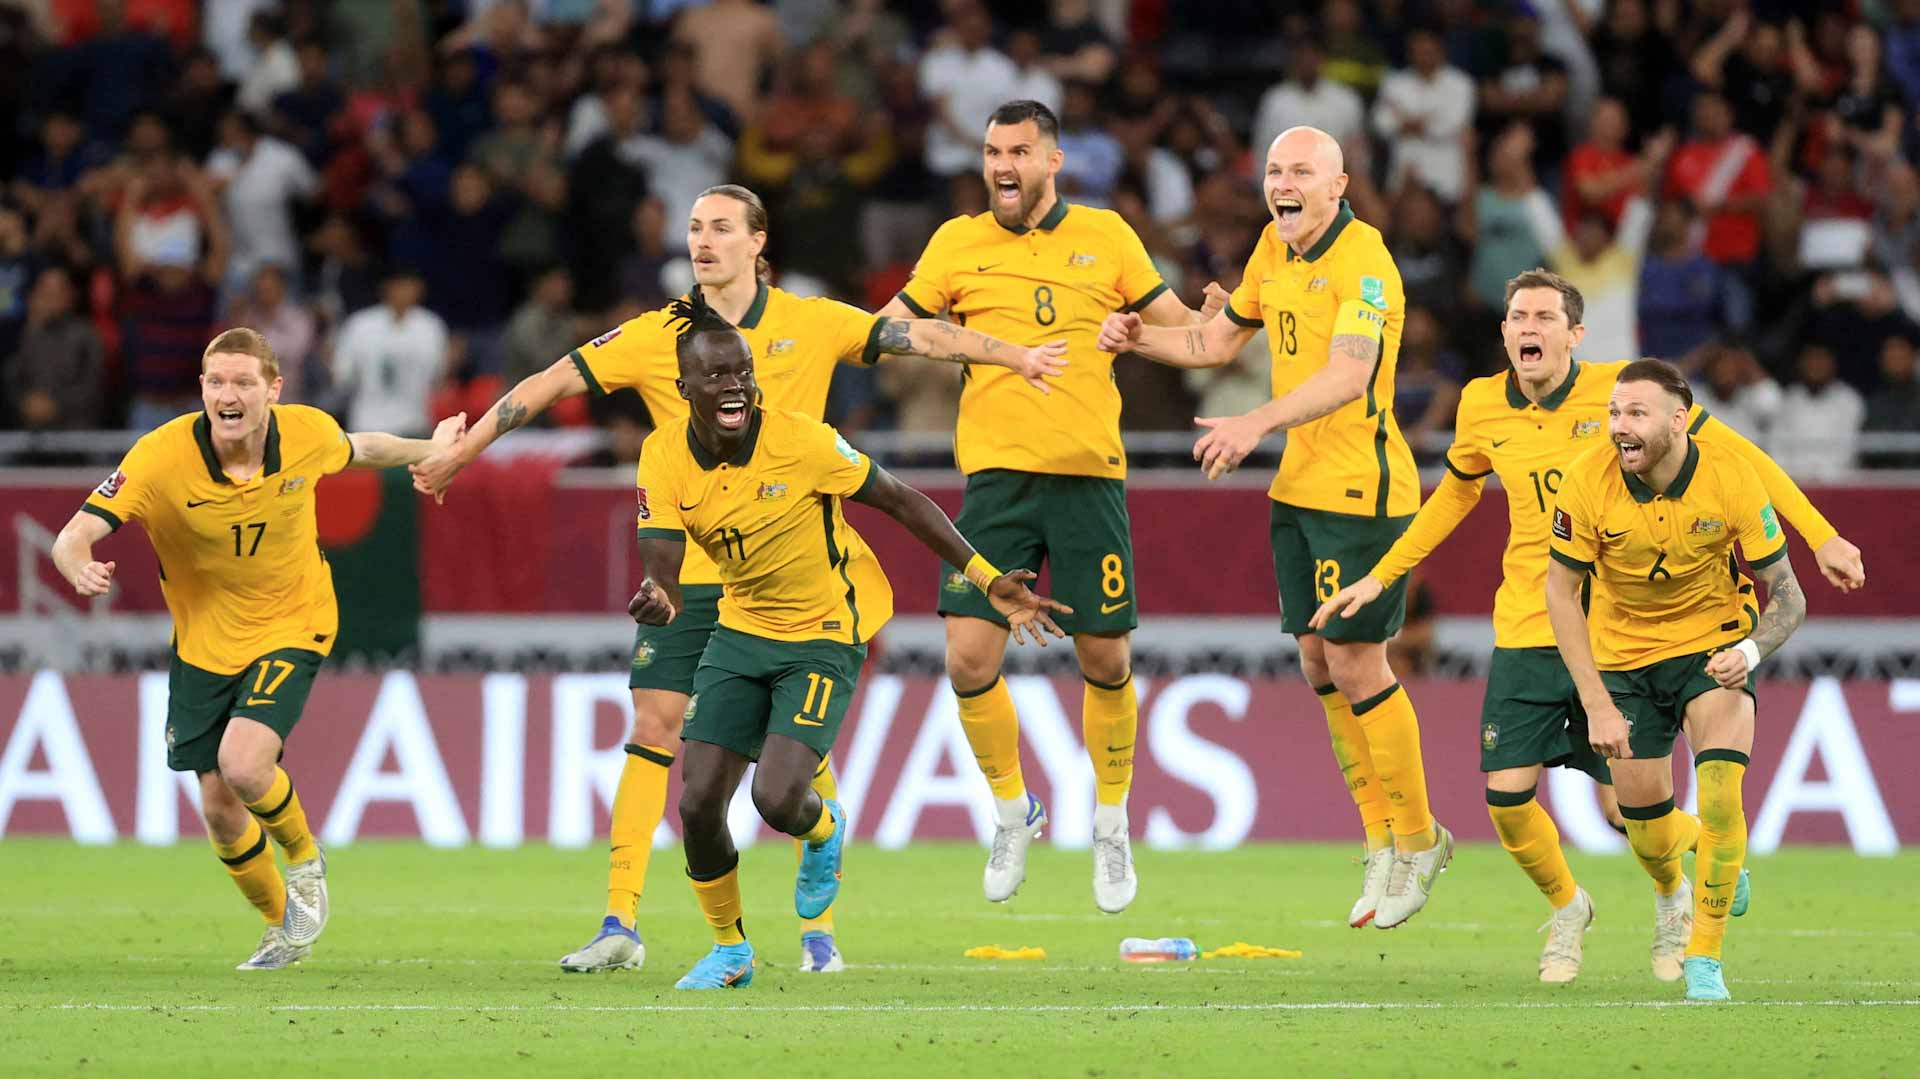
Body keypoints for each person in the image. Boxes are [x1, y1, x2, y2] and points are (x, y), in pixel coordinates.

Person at [410, 183, 1067, 975]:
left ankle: (817, 926)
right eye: (693, 227)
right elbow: (545, 384)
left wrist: (1014, 353)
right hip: (687, 566)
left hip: (801, 571)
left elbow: (915, 336)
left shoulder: (812, 321)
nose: (703, 239)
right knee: (657, 728)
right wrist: (459, 451)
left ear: (759, 241)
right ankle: (622, 919)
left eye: (721, 226)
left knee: (792, 772)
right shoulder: (657, 335)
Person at [1312, 269, 1864, 982]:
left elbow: (1740, 457)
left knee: (1624, 809)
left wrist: (1819, 535)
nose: (1529, 327)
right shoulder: (1481, 403)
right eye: (1518, 316)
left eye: (1545, 316)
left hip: (1611, 623)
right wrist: (1383, 574)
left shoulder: (1626, 397)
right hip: (1526, 614)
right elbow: (1454, 494)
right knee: (1506, 798)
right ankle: (1575, 904)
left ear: (1575, 333)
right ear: (1504, 330)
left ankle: (1674, 893)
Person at [633, 292, 1068, 989]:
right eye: (716, 375)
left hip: (823, 635)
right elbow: (661, 557)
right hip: (740, 629)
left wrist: (987, 581)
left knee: (777, 801)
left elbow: (903, 501)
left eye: (742, 370)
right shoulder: (662, 455)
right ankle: (730, 948)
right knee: (696, 803)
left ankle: (823, 829)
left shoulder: (803, 440)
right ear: (683, 387)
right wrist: (660, 594)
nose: (735, 384)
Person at [876, 100, 1225, 913]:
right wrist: (975, 345)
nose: (1002, 164)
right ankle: (1012, 811)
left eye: (1019, 151)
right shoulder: (956, 242)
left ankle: (1109, 820)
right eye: (993, 149)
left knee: (1104, 660)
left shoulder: (1108, 236)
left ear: (1053, 161)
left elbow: (1189, 339)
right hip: (996, 480)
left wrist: (1177, 325)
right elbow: (890, 331)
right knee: (967, 657)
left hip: (1088, 476)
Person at [1103, 126, 1447, 930]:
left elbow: (1350, 372)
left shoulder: (1366, 260)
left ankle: (1420, 837)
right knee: (1318, 661)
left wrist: (1255, 421)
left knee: (1361, 663)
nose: (1283, 183)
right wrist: (1137, 337)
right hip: (1300, 488)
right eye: (1273, 170)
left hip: (1363, 488)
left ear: (1338, 185)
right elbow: (1216, 339)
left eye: (1302, 171)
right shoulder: (1271, 247)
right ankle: (1379, 841)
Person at [48, 327, 468, 971]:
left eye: (244, 381)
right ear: (202, 390)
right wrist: (77, 564)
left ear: (273, 389)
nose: (228, 394)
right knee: (218, 808)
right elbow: (74, 533)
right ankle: (283, 926)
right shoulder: (160, 457)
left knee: (243, 765)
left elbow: (361, 448)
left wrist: (433, 446)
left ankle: (304, 859)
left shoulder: (303, 433)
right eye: (216, 381)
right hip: (203, 644)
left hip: (294, 622)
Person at [1546, 359, 1813, 1003]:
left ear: (1678, 419)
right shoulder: (1587, 480)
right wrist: (1597, 702)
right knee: (1645, 830)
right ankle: (1707, 853)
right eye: (1614, 413)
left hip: (1712, 647)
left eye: (1635, 413)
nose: (1619, 426)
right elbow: (1560, 591)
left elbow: (1789, 594)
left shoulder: (1730, 476)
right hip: (1623, 659)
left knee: (1724, 800)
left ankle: (1705, 959)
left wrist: (1749, 652)